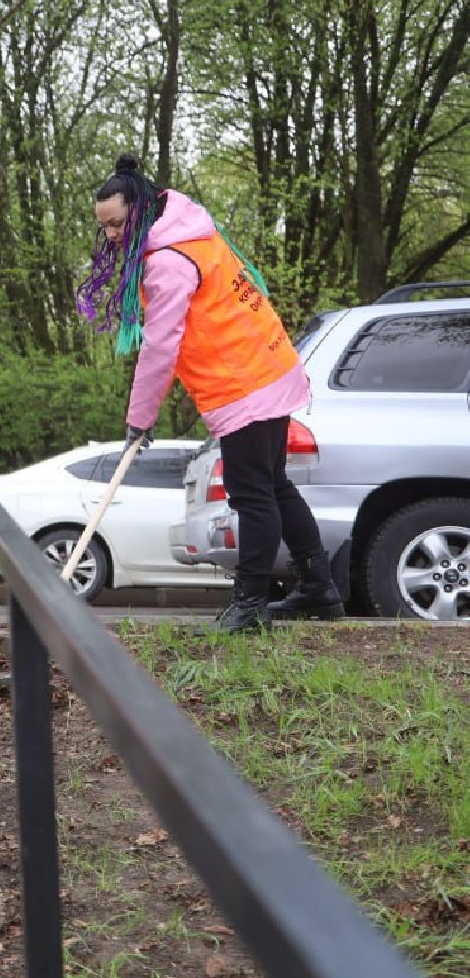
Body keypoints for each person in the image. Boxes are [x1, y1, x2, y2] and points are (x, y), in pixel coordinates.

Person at [77, 153, 342, 633]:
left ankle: (250, 604)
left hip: (244, 382)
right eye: (105, 227)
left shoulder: (168, 262)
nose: (111, 235)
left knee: (251, 493)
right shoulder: (191, 231)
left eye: (117, 224)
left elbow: (160, 346)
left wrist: (140, 417)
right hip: (268, 364)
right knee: (274, 485)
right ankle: (317, 587)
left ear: (138, 210)